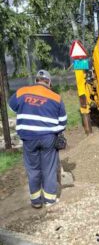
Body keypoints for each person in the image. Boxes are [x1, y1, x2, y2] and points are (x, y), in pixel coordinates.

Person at [8, 70, 67, 208]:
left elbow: (12, 107)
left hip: (28, 138)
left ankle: (35, 201)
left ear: (36, 81)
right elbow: (63, 122)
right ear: (49, 82)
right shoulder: (56, 98)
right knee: (49, 168)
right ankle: (50, 200)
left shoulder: (22, 92)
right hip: (48, 138)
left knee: (33, 169)